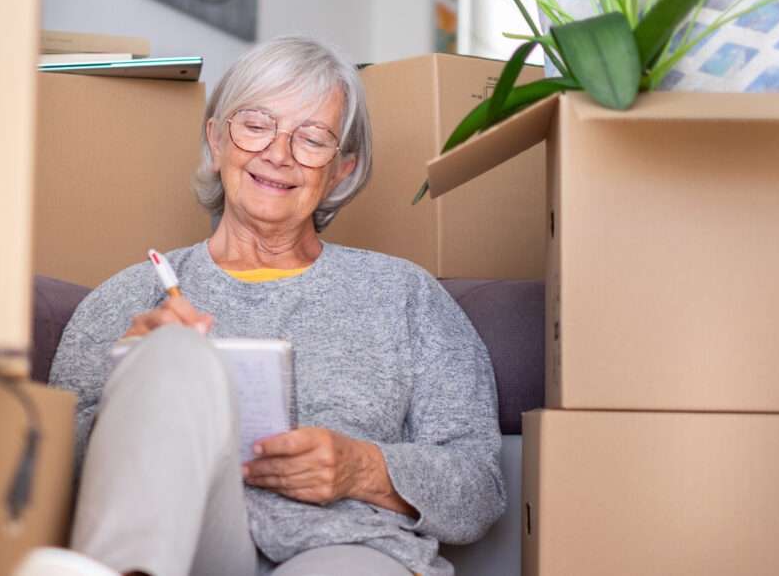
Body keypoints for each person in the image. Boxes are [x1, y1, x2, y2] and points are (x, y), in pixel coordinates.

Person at [28, 36, 505, 576]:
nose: (278, 154)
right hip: (190, 550)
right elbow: (42, 474)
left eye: (312, 138)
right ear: (216, 139)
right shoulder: (128, 297)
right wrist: (135, 389)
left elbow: (480, 492)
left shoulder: (404, 295)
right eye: (256, 125)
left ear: (342, 169)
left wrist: (365, 468)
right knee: (168, 356)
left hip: (348, 550)